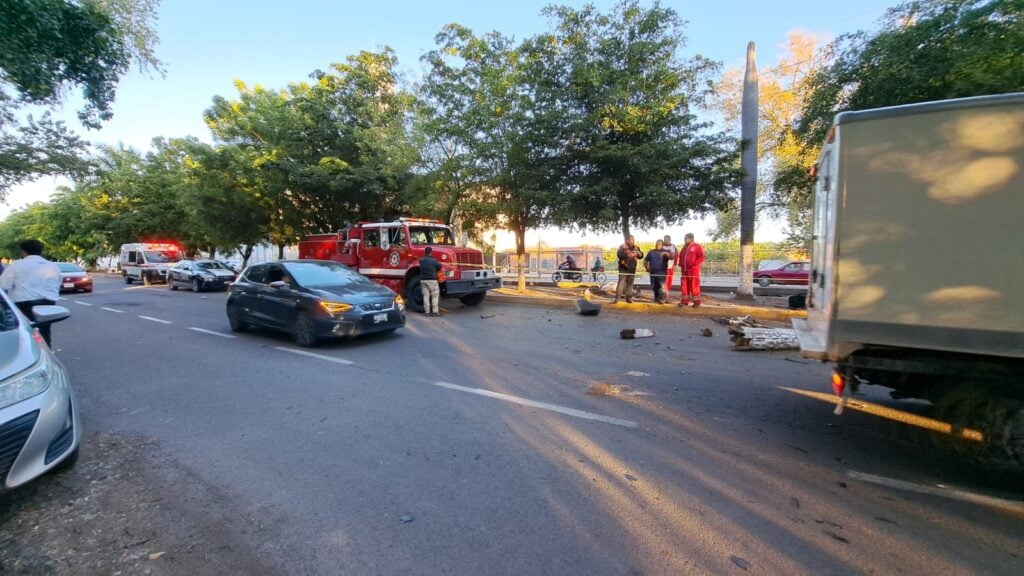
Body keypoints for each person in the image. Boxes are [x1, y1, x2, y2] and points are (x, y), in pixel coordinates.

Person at [0, 239, 62, 346]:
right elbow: (57, 283)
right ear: (41, 251)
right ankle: (46, 353)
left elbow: (3, 285)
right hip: (48, 304)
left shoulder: (17, 265)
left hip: (23, 304)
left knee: (25, 332)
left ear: (23, 251)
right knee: (45, 331)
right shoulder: (53, 266)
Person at [677, 232, 705, 307]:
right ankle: (684, 301)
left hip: (693, 270)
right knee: (684, 285)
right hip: (684, 270)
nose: (684, 239)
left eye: (685, 238)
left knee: (694, 285)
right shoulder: (684, 247)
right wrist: (680, 264)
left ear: (691, 238)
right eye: (684, 238)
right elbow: (681, 256)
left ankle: (697, 302)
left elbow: (701, 257)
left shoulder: (697, 246)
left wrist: (695, 264)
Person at [613, 235, 643, 304]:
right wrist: (628, 255)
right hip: (623, 268)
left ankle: (629, 299)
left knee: (630, 284)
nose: (632, 241)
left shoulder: (636, 247)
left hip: (632, 268)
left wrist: (639, 253)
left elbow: (641, 256)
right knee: (621, 283)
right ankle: (617, 299)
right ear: (627, 240)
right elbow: (619, 254)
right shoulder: (622, 247)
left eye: (633, 240)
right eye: (631, 240)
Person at [417, 246, 442, 316]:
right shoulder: (433, 260)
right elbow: (440, 266)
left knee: (426, 296)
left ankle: (427, 312)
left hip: (423, 280)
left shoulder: (421, 260)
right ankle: (435, 312)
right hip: (432, 280)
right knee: (434, 296)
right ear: (431, 252)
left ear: (425, 252)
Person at [643, 239, 670, 303]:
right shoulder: (651, 252)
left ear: (662, 245)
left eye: (660, 244)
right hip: (653, 272)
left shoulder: (665, 252)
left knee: (662, 286)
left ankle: (663, 299)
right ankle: (656, 298)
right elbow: (646, 260)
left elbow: (672, 256)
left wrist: (666, 253)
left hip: (662, 272)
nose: (658, 245)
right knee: (654, 286)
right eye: (657, 244)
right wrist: (647, 267)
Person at [662, 235, 677, 303]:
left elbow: (676, 255)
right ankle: (664, 297)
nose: (666, 241)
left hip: (670, 267)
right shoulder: (661, 246)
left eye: (667, 239)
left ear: (670, 240)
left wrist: (675, 264)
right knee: (663, 283)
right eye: (665, 239)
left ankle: (667, 296)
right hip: (663, 268)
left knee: (669, 283)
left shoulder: (673, 246)